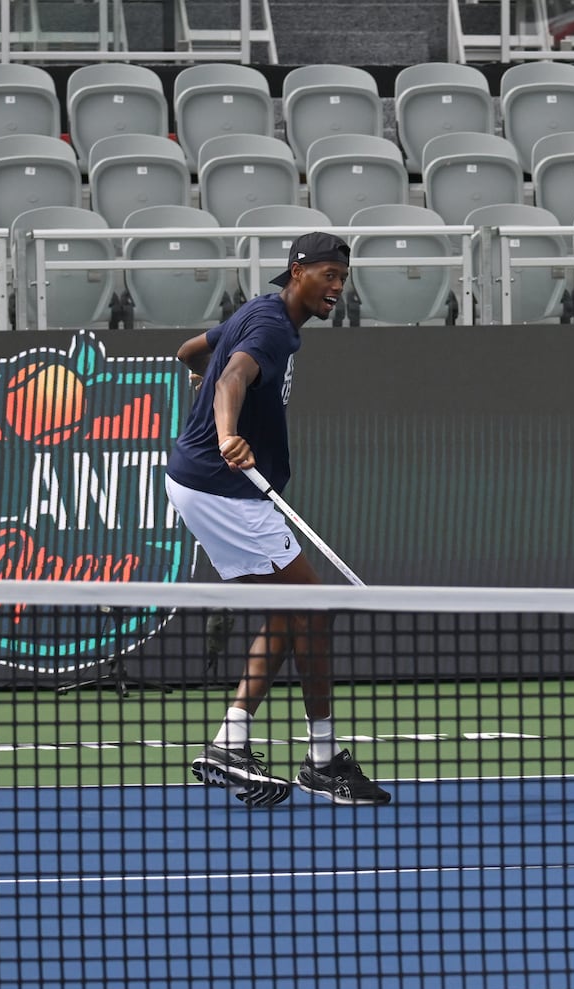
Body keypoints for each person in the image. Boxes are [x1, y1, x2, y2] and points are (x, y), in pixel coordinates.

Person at [165, 231, 390, 807]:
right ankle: (300, 757)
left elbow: (194, 351)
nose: (337, 286)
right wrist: (226, 432)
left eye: (343, 277)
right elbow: (231, 377)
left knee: (299, 614)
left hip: (203, 485)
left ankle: (262, 744)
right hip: (223, 488)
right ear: (297, 272)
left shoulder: (258, 312)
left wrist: (198, 373)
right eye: (327, 275)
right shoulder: (269, 329)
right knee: (310, 609)